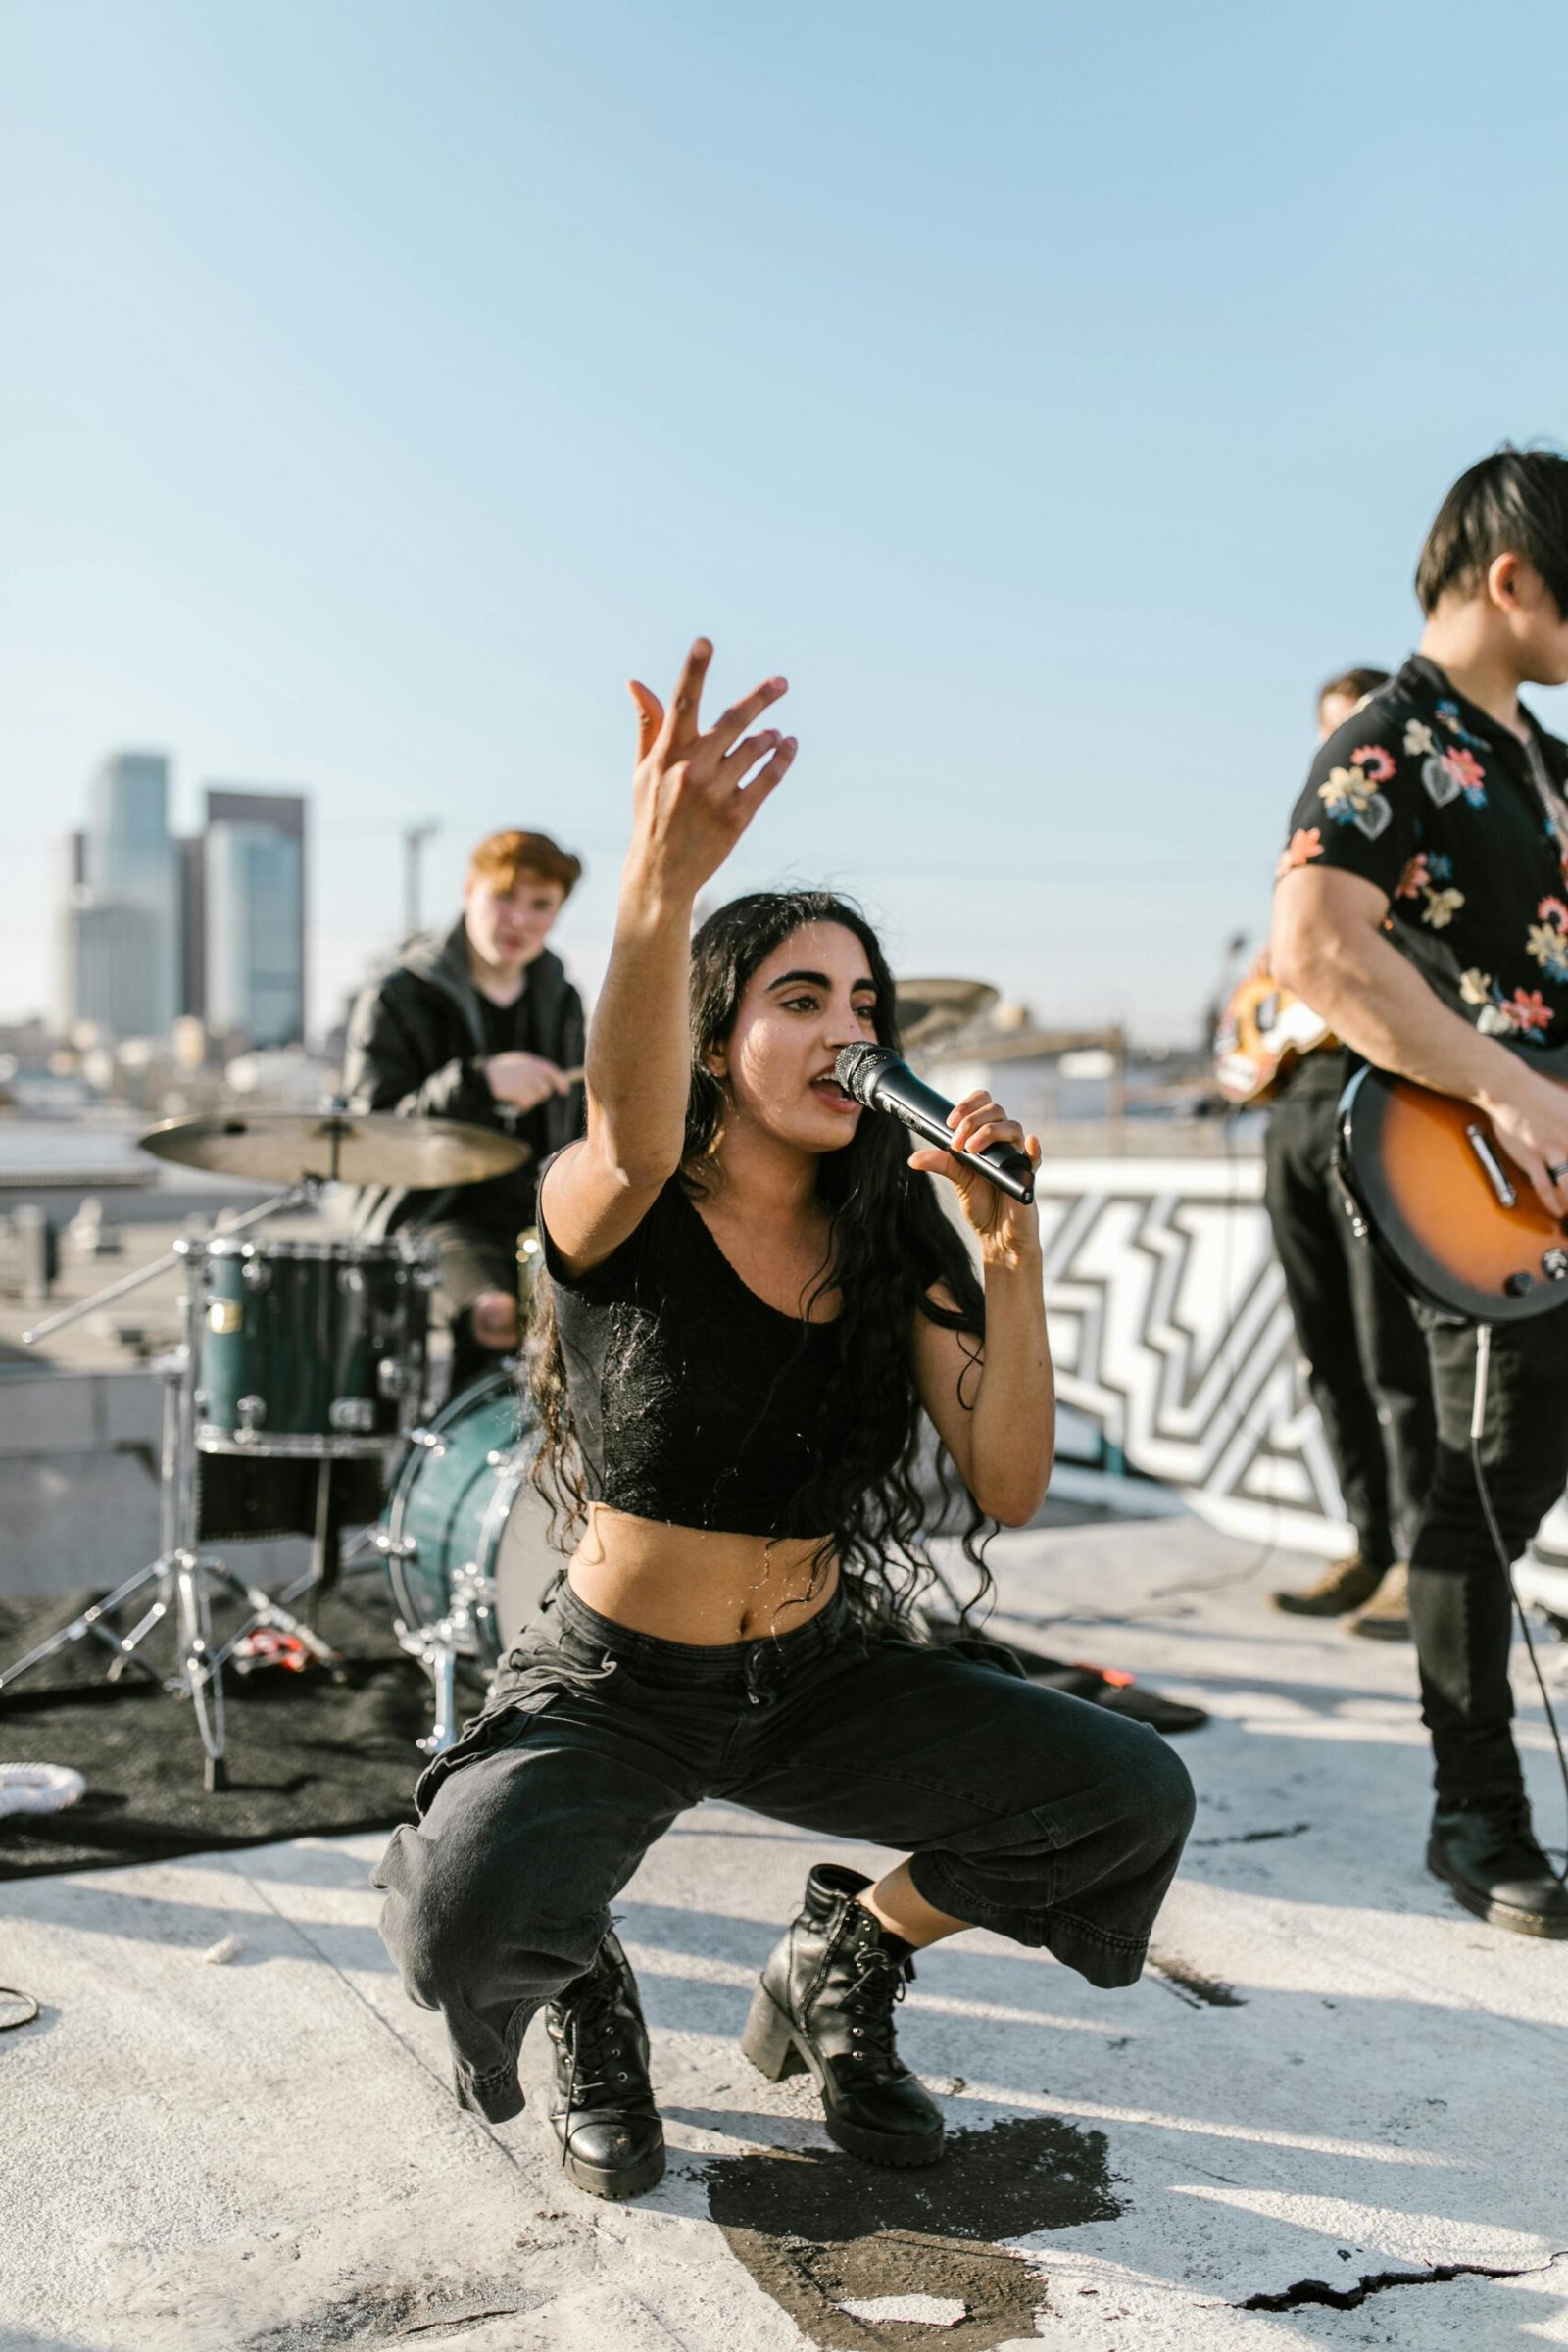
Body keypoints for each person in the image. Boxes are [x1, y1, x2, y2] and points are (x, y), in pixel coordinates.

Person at [373, 640, 1196, 2198]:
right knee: (459, 1916)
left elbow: (1009, 1484)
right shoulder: (620, 1201)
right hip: (617, 1681)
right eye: (797, 996)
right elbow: (617, 1112)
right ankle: (581, 1980)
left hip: (816, 1669)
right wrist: (655, 881)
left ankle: (843, 1957)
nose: (843, 1027)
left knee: (1124, 1790)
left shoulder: (901, 1236)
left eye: (864, 1001)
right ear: (715, 1033)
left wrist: (1010, 1259)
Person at [1272, 446, 1568, 1937]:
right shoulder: (1385, 743)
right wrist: (1510, 1087)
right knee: (1480, 1495)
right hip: (1479, 1177)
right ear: (1513, 579)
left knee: (1505, 1483)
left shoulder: (1543, 761)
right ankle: (1478, 1818)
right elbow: (1316, 950)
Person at [1267, 667, 1438, 1638]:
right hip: (1290, 1105)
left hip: (1374, 1096)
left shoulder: (1422, 847)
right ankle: (1367, 1542)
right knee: (1325, 1347)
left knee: (1391, 1351)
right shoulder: (1306, 856)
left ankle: (1420, 1561)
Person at [343, 828, 586, 1394]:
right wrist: (475, 1083)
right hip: (432, 1212)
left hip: (540, 1211)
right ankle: (467, 1469)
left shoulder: (562, 996)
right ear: (469, 890)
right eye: (505, 897)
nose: (519, 920)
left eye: (541, 905)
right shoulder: (398, 995)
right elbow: (370, 1135)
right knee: (496, 1311)